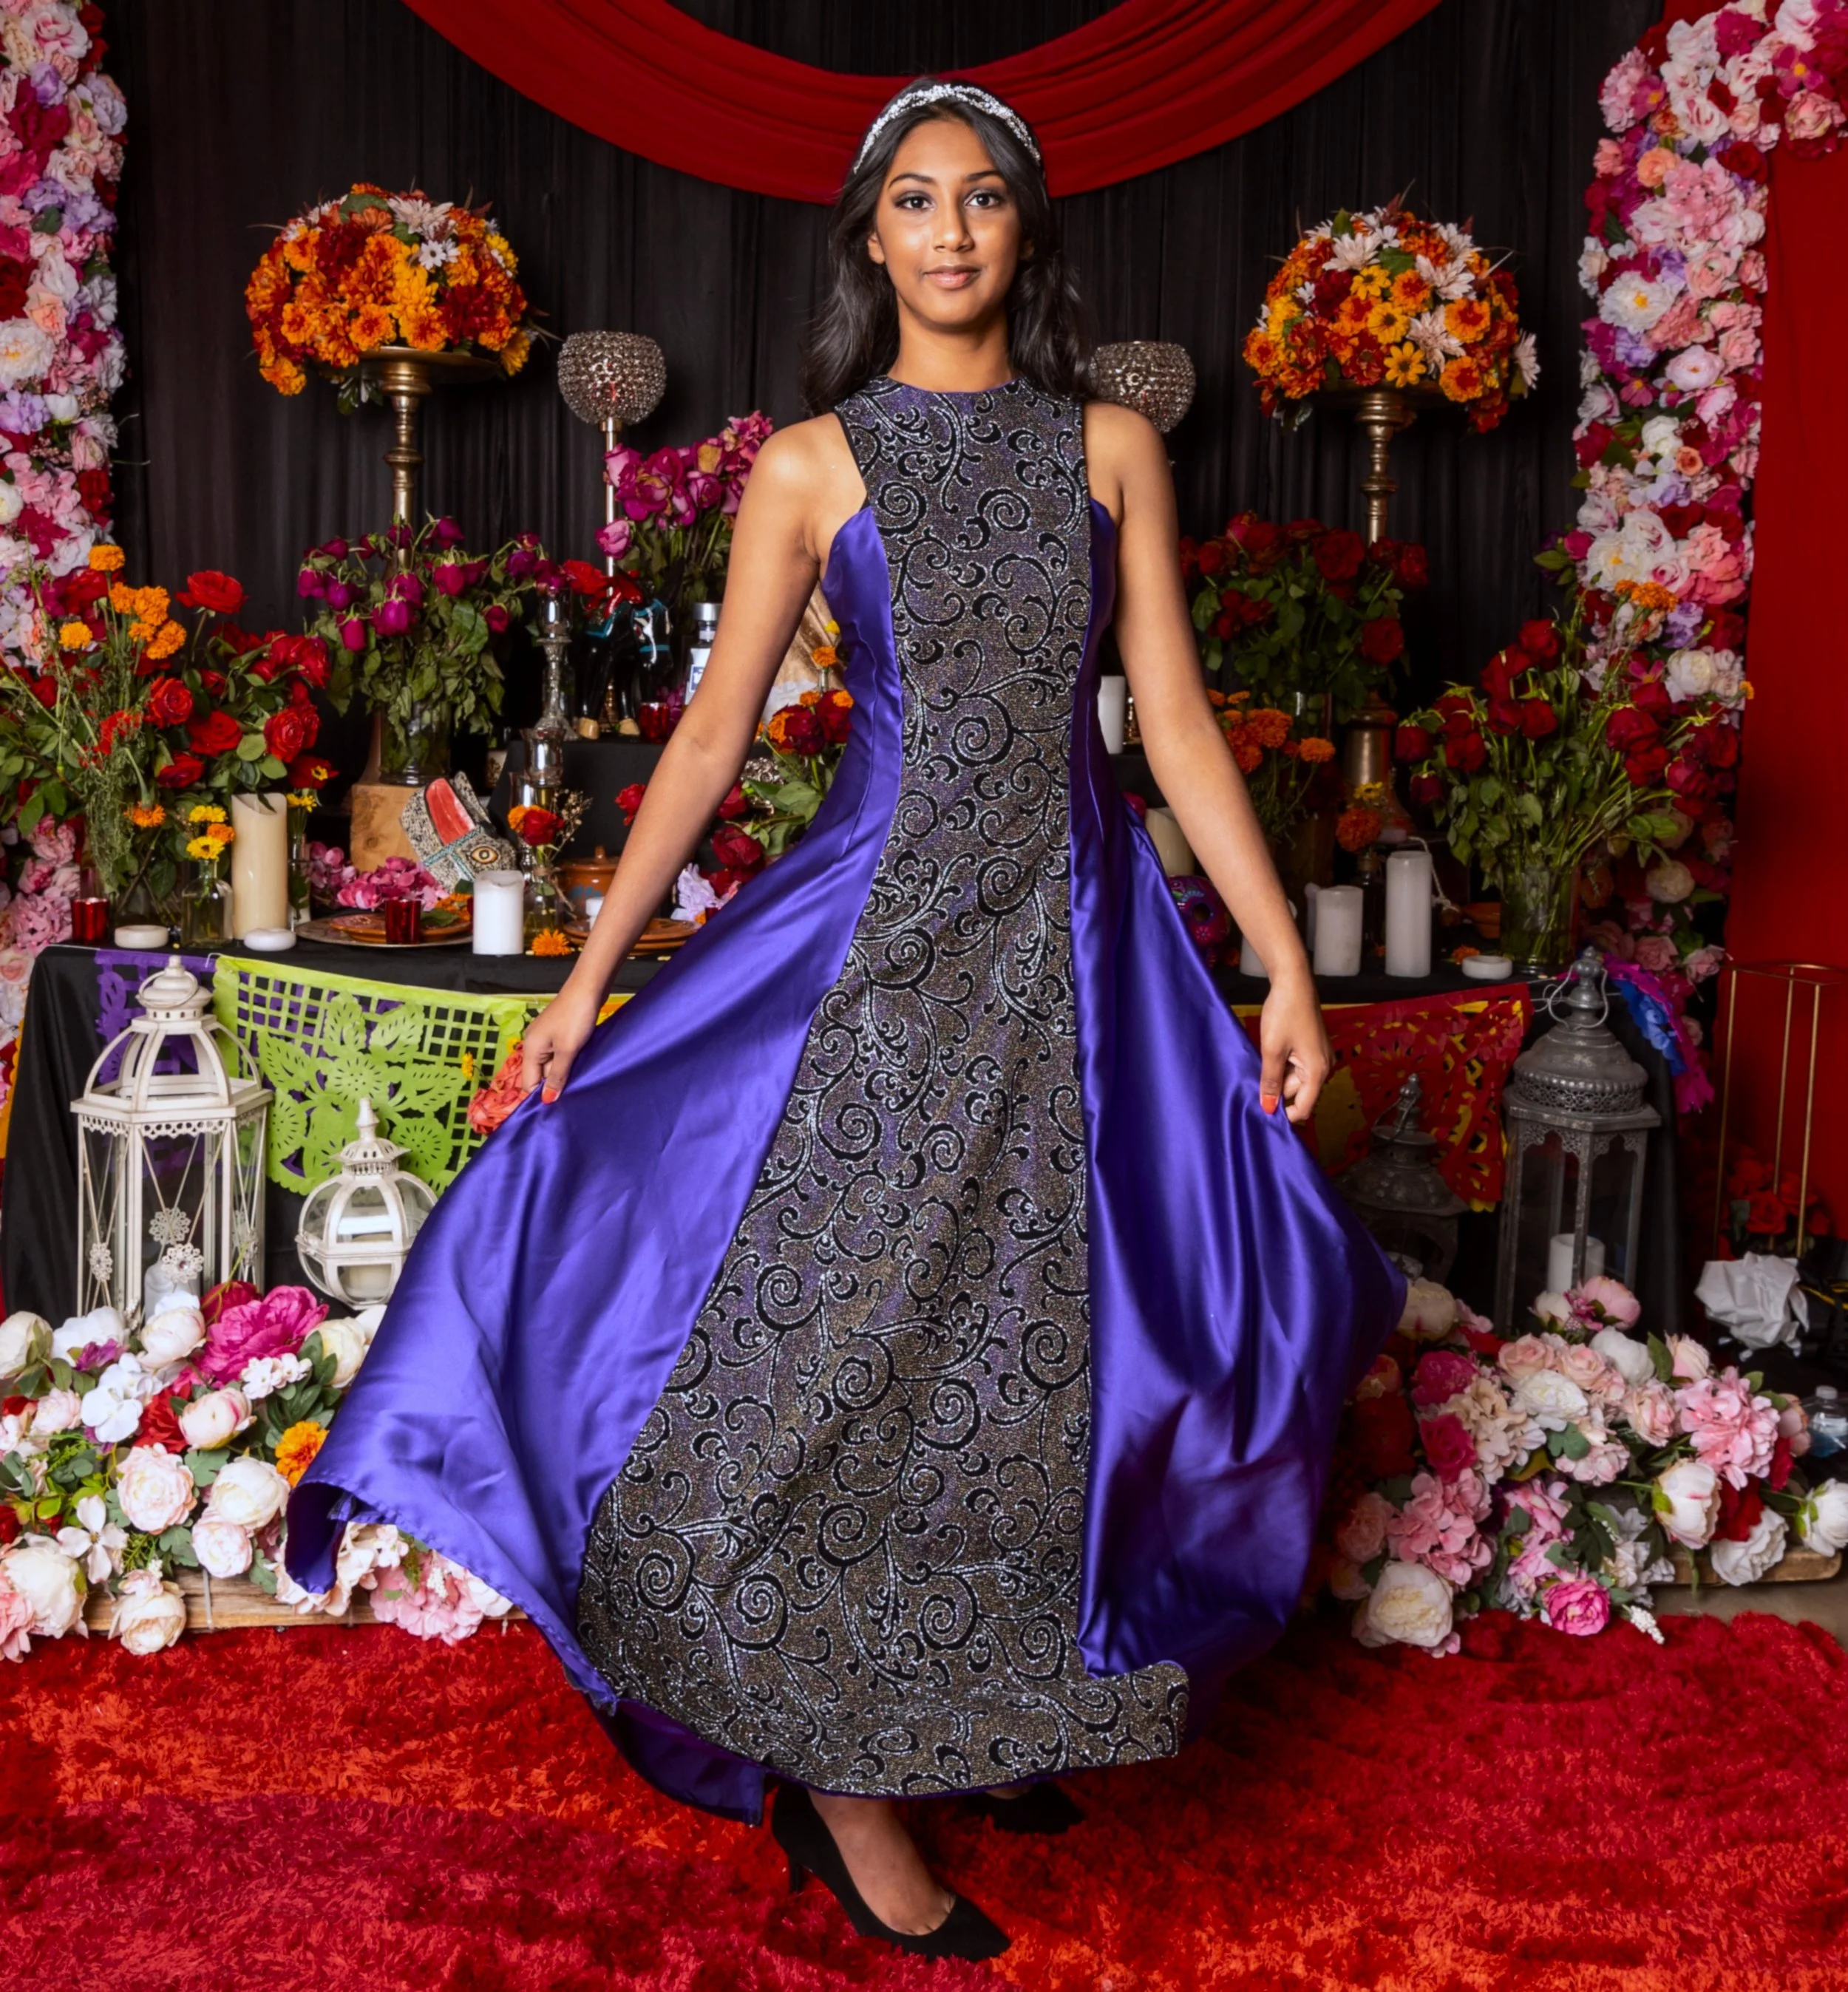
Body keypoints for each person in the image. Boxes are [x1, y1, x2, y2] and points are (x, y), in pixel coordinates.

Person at [290, 78, 1403, 1963]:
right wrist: (584, 978)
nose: (949, 231)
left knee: (1044, 1349)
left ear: (1022, 234)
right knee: (848, 1358)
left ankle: (968, 1705)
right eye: (913, 202)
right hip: (875, 966)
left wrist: (1278, 959)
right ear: (869, 238)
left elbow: (1175, 724)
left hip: (1078, 953)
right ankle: (845, 1790)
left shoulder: (1109, 446)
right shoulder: (810, 464)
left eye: (980, 201)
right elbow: (716, 737)